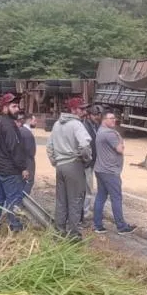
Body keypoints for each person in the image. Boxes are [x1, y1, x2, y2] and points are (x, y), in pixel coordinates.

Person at [47, 98, 92, 240]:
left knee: (61, 200)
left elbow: (49, 147)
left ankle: (59, 230)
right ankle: (74, 234)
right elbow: (85, 146)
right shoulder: (77, 124)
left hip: (60, 166)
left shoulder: (56, 124)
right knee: (76, 200)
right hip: (74, 164)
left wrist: (56, 162)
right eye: (81, 108)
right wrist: (86, 159)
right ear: (73, 110)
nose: (84, 112)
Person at [0, 93, 29, 232]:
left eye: (17, 106)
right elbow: (14, 149)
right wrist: (23, 168)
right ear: (5, 107)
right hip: (9, 170)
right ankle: (16, 227)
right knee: (14, 199)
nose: (17, 109)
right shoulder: (8, 125)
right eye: (14, 106)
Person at [93, 110, 136, 234]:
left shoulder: (100, 131)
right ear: (104, 120)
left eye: (114, 118)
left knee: (100, 197)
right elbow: (120, 149)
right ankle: (121, 227)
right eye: (111, 118)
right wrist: (119, 137)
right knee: (116, 198)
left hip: (100, 169)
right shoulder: (110, 134)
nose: (114, 120)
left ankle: (98, 225)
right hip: (110, 171)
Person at [81, 104, 101, 220]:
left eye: (97, 115)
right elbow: (85, 146)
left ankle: (84, 211)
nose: (96, 117)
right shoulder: (84, 127)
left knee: (88, 188)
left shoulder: (95, 126)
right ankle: (85, 213)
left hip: (92, 162)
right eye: (94, 115)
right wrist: (88, 160)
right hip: (87, 163)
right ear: (88, 116)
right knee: (88, 189)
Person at [16, 113, 37, 195]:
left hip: (20, 160)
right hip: (27, 161)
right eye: (34, 120)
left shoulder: (20, 130)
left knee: (21, 182)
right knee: (29, 181)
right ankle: (22, 201)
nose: (36, 123)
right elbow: (30, 151)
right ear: (29, 120)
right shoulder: (27, 133)